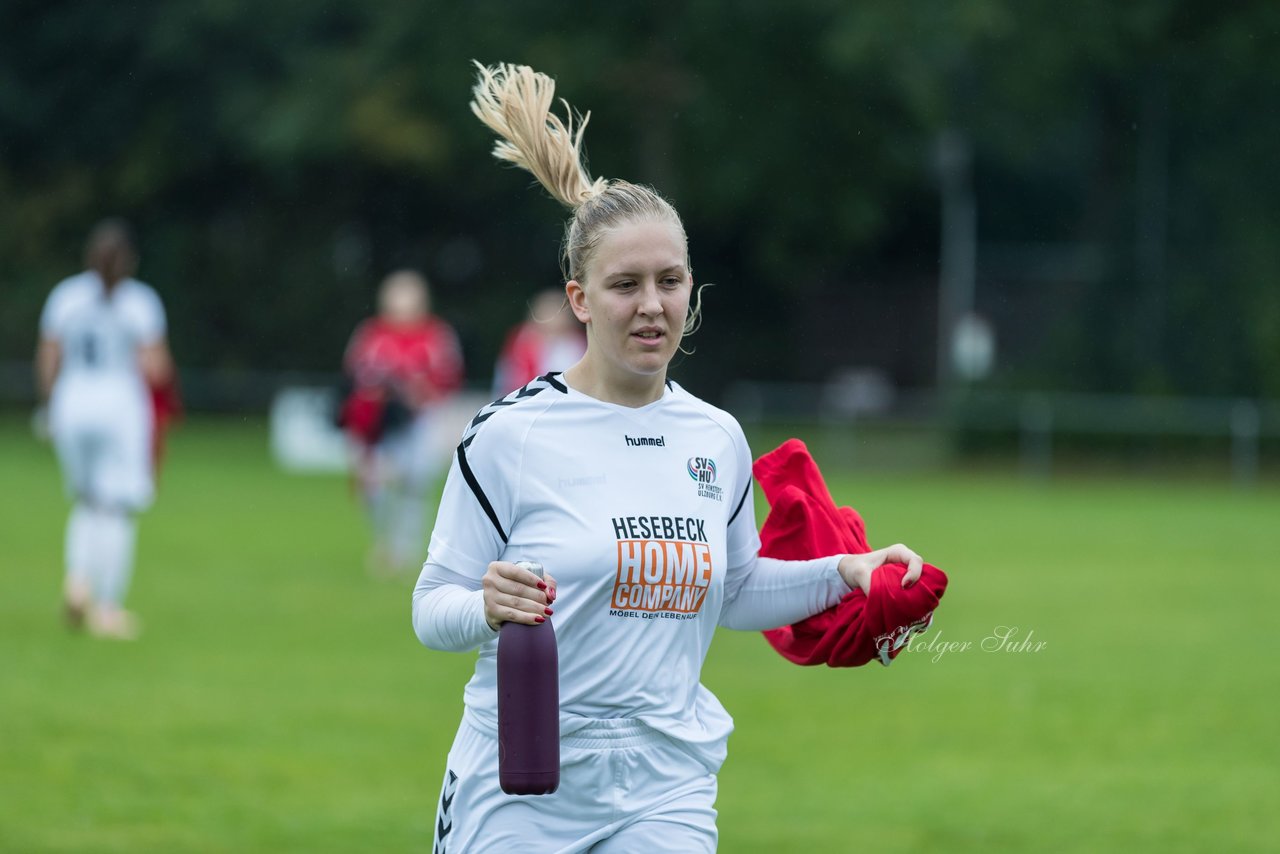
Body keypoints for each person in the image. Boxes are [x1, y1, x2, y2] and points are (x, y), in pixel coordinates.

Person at [412, 63, 928, 852]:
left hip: (665, 784)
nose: (651, 305)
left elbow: (739, 590)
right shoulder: (509, 435)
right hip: (519, 788)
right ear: (580, 298)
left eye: (670, 280)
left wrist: (847, 571)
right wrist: (486, 605)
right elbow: (430, 609)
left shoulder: (714, 436)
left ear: (693, 289)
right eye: (625, 284)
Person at [35, 218, 175, 640]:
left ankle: (79, 579)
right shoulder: (140, 302)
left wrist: (49, 406)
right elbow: (156, 368)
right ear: (129, 260)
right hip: (118, 408)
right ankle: (108, 607)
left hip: (72, 404)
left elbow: (49, 358)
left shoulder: (66, 296)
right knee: (116, 508)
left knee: (86, 501)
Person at [339, 270, 464, 575]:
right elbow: (353, 375)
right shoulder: (371, 334)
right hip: (380, 424)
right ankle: (383, 542)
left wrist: (419, 394)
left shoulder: (436, 335)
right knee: (373, 486)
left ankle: (405, 550)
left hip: (421, 422)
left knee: (413, 485)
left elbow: (450, 377)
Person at [491, 287, 587, 396]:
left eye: (558, 312)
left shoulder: (576, 342)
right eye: (548, 311)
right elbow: (510, 377)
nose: (555, 318)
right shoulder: (524, 341)